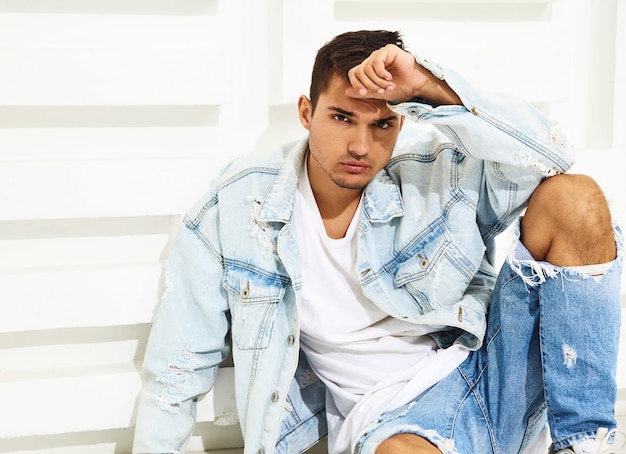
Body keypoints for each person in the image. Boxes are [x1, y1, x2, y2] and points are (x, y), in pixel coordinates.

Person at [132, 30, 625, 454]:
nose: (361, 147)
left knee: (574, 199)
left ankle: (584, 443)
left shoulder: (431, 178)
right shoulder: (238, 208)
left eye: (382, 124)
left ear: (402, 121)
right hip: (392, 422)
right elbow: (178, 370)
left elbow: (553, 153)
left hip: (493, 368)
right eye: (342, 118)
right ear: (307, 112)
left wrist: (431, 87)